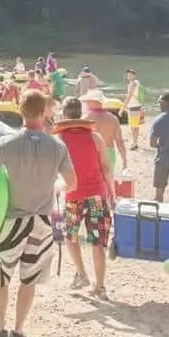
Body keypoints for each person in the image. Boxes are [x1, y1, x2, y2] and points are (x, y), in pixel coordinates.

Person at [0, 91, 77, 337]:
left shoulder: (6, 144)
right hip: (41, 222)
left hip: (13, 221)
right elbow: (71, 183)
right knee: (29, 279)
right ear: (44, 113)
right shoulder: (57, 147)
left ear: (20, 110)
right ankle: (18, 332)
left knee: (1, 276)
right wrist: (54, 187)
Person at [57, 98, 116, 298]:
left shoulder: (60, 140)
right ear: (81, 115)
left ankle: (81, 274)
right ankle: (99, 286)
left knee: (69, 236)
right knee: (97, 242)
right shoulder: (95, 137)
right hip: (97, 195)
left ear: (64, 115)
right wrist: (112, 194)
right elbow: (106, 168)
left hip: (73, 196)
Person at [81, 90, 128, 173]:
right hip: (108, 153)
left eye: (87, 101)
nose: (86, 103)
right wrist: (124, 161)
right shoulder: (113, 119)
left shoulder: (84, 119)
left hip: (91, 153)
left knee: (92, 181)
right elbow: (120, 142)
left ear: (91, 102)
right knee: (108, 181)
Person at [124, 69, 143, 150]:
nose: (129, 76)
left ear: (135, 75)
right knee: (136, 126)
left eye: (130, 75)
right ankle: (135, 142)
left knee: (133, 126)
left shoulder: (132, 84)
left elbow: (129, 97)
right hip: (138, 106)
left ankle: (134, 143)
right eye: (128, 75)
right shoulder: (138, 83)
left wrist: (122, 108)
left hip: (133, 107)